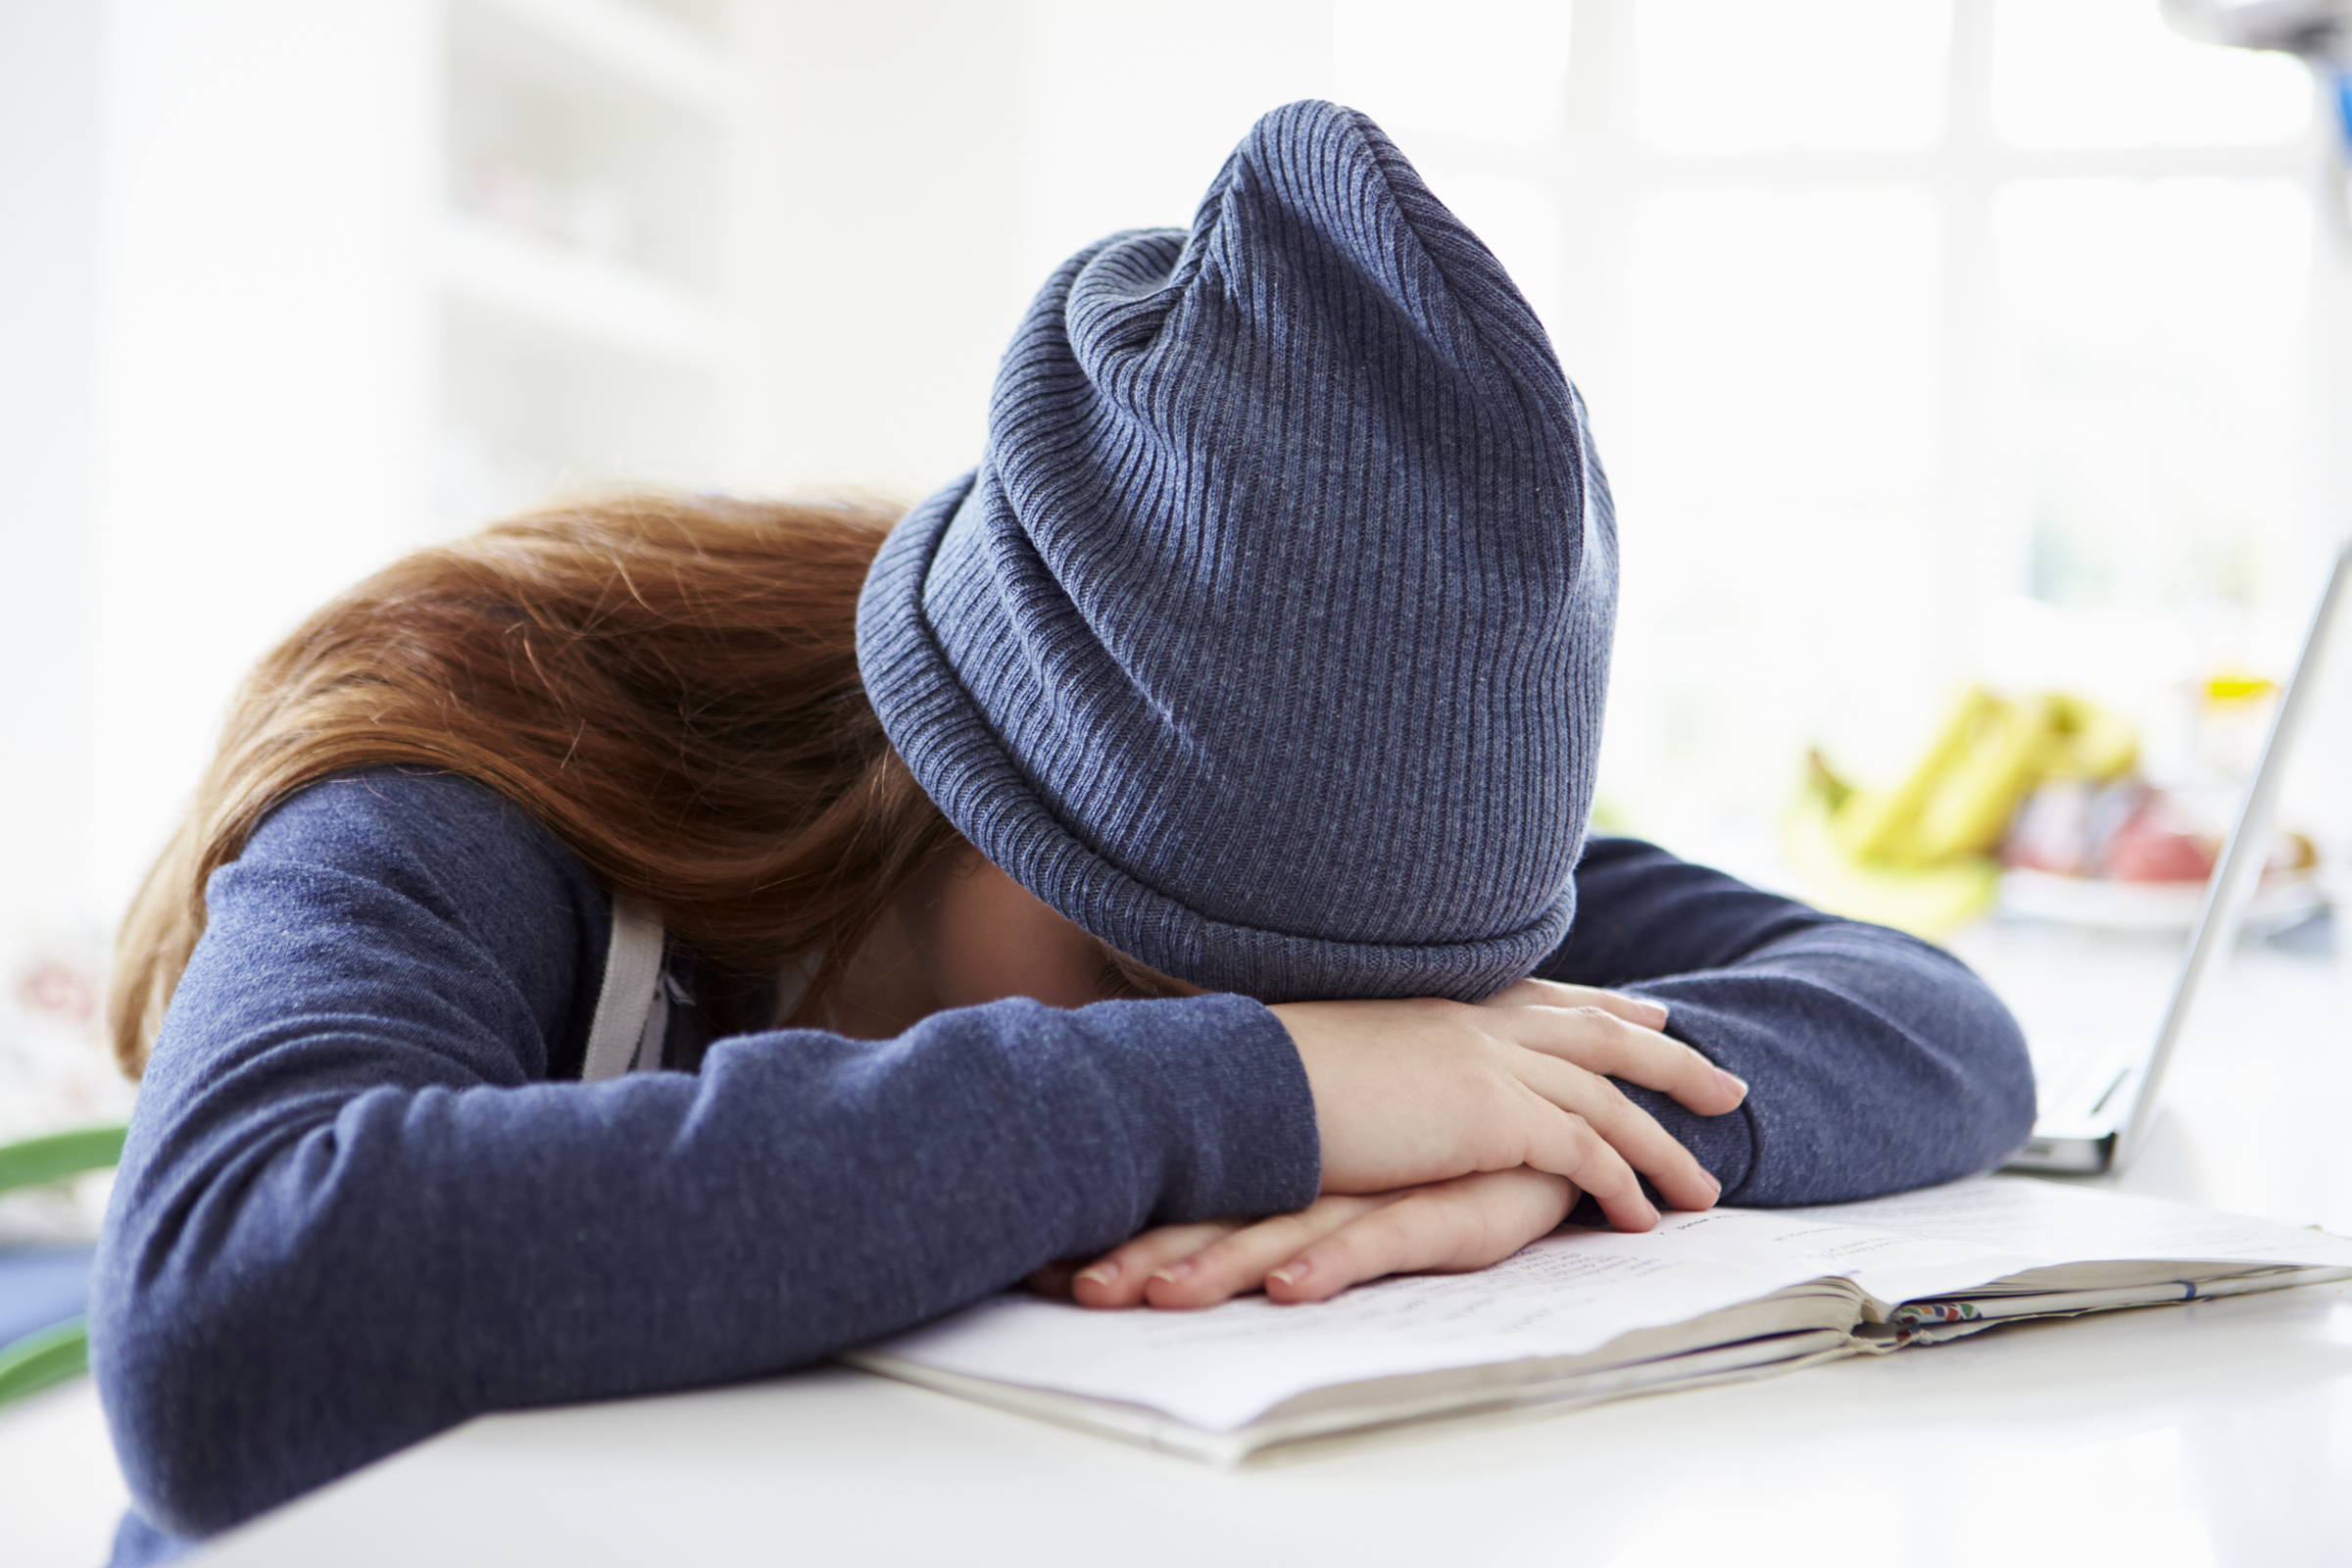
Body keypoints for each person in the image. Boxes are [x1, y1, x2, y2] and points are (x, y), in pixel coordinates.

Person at [89, 101, 2034, 1561]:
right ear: (957, 761)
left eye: (1390, 1018)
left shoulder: (1343, 868)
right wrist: (1246, 1080)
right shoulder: (483, 750)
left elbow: (1936, 1016)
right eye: (1140, 965)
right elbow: (227, 1316)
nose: (1331, 1051)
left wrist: (1556, 1136)